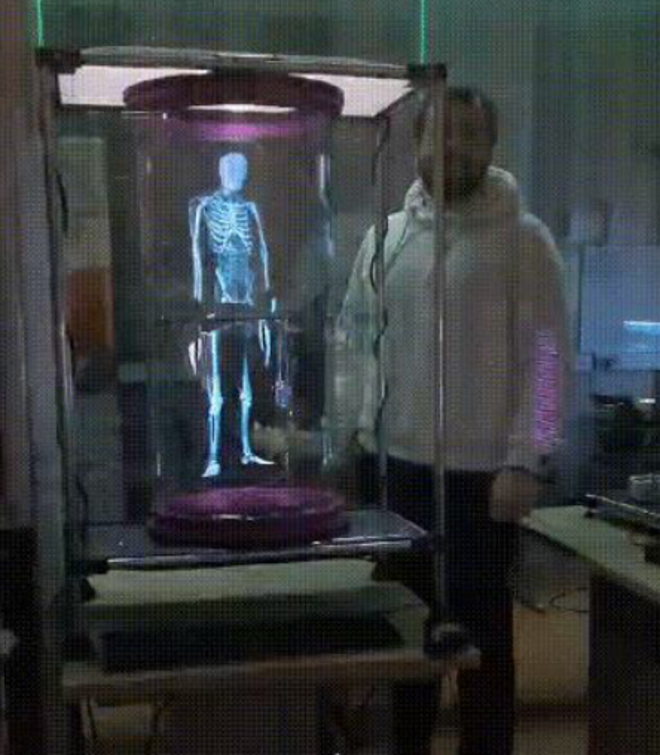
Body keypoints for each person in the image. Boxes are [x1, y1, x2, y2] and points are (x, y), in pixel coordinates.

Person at [338, 87, 571, 755]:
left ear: (491, 146)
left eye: (470, 135)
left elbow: (548, 358)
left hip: (483, 481)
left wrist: (527, 458)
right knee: (405, 644)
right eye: (441, 133)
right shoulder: (386, 239)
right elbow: (356, 341)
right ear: (416, 144)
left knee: (483, 654)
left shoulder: (525, 241)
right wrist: (353, 433)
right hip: (398, 474)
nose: (454, 148)